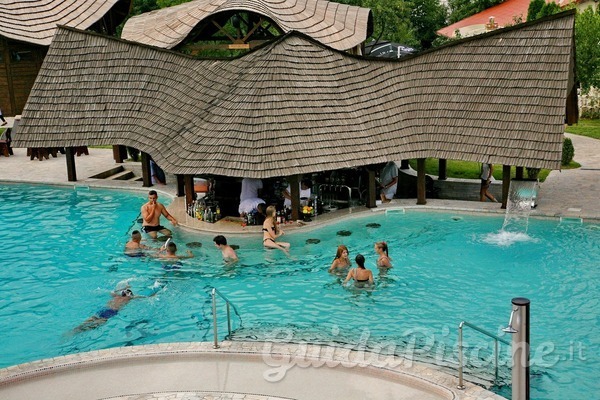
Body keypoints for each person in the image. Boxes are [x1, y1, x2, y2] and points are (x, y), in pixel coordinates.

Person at [73, 287, 155, 333]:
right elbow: (144, 297)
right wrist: (154, 295)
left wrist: (125, 287)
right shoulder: (129, 298)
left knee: (92, 318)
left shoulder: (115, 296)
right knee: (98, 324)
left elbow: (112, 291)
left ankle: (76, 329)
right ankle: (81, 330)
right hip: (111, 312)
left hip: (103, 309)